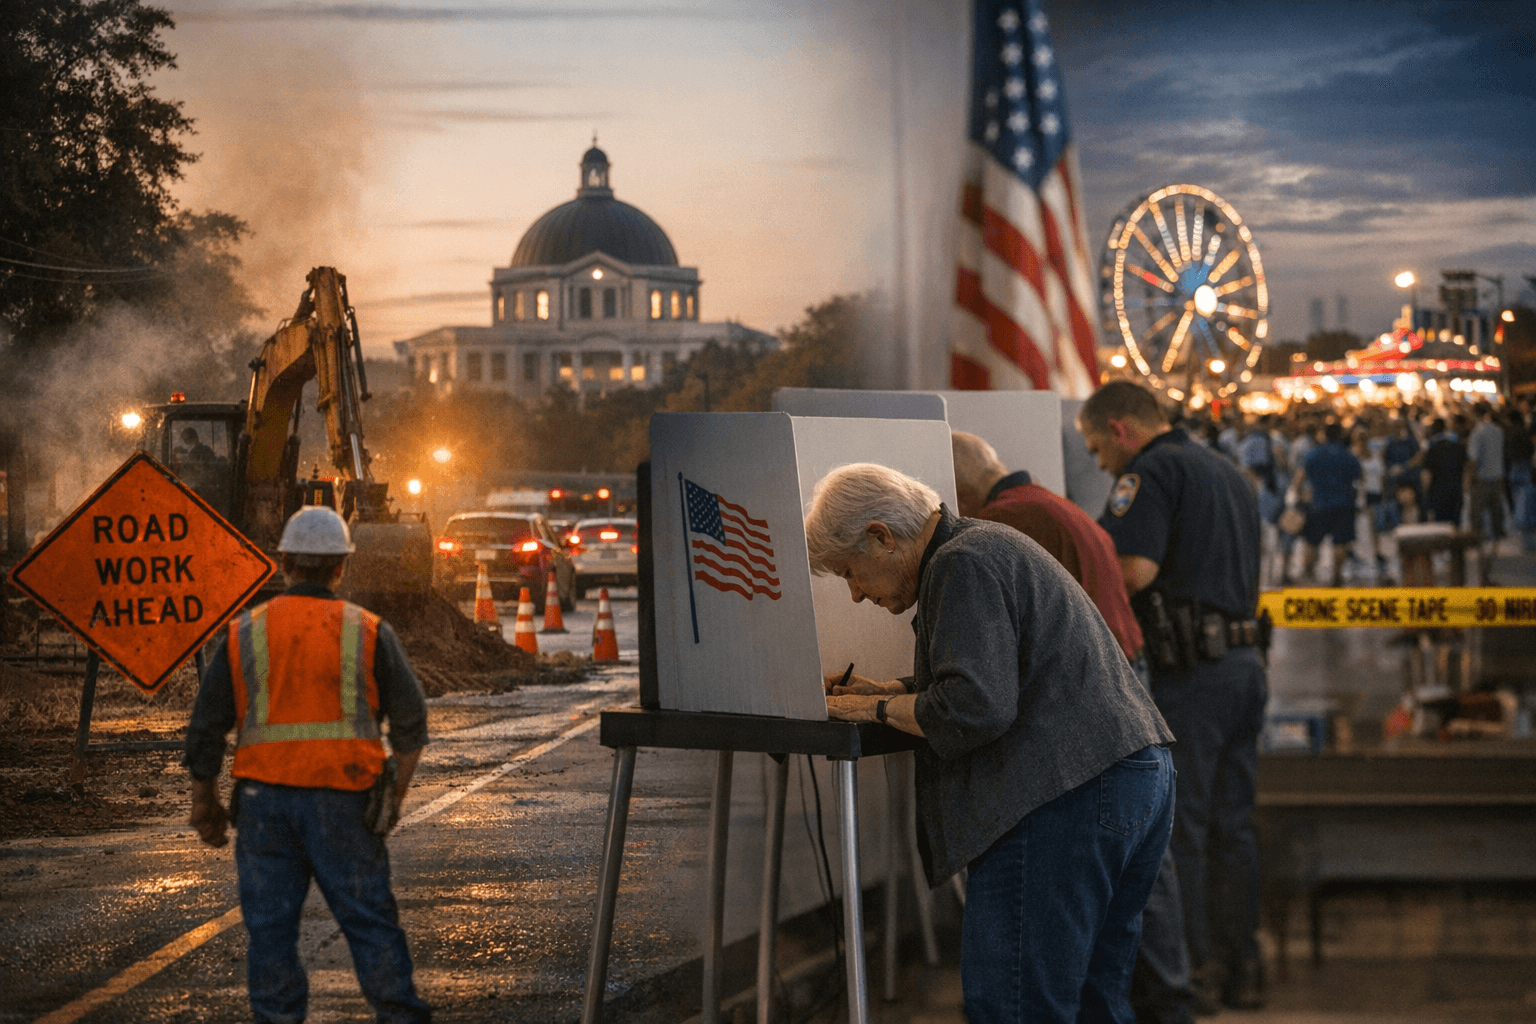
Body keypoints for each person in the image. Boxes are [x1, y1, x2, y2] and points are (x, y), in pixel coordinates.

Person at [807, 463, 1174, 1024]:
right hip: (1128, 776)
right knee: (1096, 1001)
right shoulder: (987, 544)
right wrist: (895, 689)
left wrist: (871, 708)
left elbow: (974, 707)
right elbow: (998, 671)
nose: (855, 594)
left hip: (1063, 795)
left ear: (881, 535)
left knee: (1016, 1006)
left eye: (851, 572)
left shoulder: (961, 562)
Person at [950, 432, 1196, 1024]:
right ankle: (1171, 996)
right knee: (1112, 942)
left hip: (1083, 723)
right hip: (1128, 702)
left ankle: (1169, 998)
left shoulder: (1006, 523)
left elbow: (997, 665)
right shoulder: (1050, 504)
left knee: (1026, 986)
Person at [185, 506, 433, 1024]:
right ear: (342, 567)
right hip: (345, 800)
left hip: (263, 805)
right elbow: (411, 725)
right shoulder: (368, 631)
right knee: (370, 922)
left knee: (270, 931)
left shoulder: (242, 632)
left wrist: (203, 803)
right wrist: (396, 798)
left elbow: (207, 727)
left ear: (282, 563)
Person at [1076, 381, 1267, 1012]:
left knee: (1177, 830)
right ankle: (1241, 968)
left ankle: (1188, 980)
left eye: (1097, 445)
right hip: (1244, 666)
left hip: (1193, 675)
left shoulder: (1150, 473)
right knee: (1232, 826)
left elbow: (1132, 570)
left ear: (1122, 428)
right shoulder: (1227, 471)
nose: (1100, 461)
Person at [1300, 423, 1363, 587]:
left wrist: (1299, 495)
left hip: (1318, 504)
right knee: (1340, 543)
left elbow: (1300, 476)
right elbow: (1359, 478)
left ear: (1324, 435)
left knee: (1311, 541)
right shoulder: (1348, 455)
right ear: (1340, 435)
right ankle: (1336, 577)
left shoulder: (1314, 453)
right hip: (1343, 504)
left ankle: (1308, 574)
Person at [1466, 402, 1506, 545]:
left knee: (1476, 510)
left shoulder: (1477, 432)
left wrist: (1468, 478)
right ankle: (1499, 534)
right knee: (1496, 508)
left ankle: (1477, 537)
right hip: (1498, 474)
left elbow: (1473, 459)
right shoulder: (1498, 430)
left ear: (1475, 414)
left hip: (1482, 476)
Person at [1418, 418, 1467, 526]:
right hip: (1455, 491)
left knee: (1441, 525)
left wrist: (1425, 492)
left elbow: (1426, 474)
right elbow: (1465, 468)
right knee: (1455, 523)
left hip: (1438, 493)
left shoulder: (1432, 447)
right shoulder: (1457, 446)